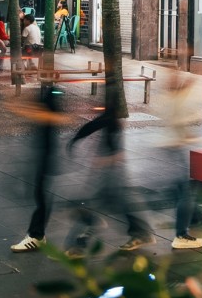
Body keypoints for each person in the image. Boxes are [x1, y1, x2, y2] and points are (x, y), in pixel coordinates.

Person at [64, 109, 153, 257]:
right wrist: (78, 137)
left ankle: (78, 245)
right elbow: (100, 122)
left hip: (110, 168)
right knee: (113, 200)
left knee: (96, 202)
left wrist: (103, 159)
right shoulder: (110, 114)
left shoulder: (113, 116)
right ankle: (141, 233)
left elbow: (107, 127)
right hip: (108, 166)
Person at [9, 83, 69, 252]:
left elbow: (58, 117)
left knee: (41, 195)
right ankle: (37, 235)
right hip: (43, 151)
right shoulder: (47, 89)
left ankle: (36, 236)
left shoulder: (55, 91)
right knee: (39, 193)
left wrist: (28, 111)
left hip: (47, 153)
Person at [157, 68, 202, 249]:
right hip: (174, 149)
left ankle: (192, 218)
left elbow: (178, 102)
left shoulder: (170, 97)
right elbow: (177, 119)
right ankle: (181, 234)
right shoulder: (171, 100)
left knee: (180, 191)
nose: (178, 80)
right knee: (185, 193)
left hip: (171, 149)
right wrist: (189, 136)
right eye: (174, 78)